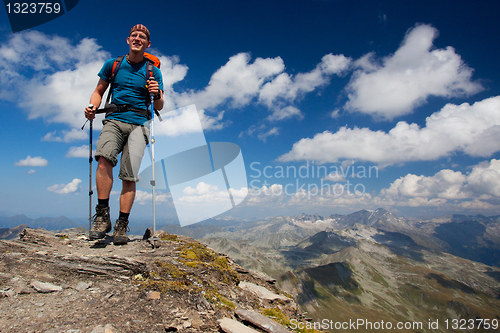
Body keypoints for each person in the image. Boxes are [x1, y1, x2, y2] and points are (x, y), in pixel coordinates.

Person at [84, 24, 164, 245]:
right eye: (134, 36)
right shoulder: (113, 65)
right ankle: (102, 216)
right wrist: (92, 106)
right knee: (103, 160)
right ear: (128, 40)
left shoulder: (153, 71)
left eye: (142, 37)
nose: (137, 39)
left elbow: (160, 104)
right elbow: (99, 90)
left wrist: (156, 93)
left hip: (140, 124)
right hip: (114, 119)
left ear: (148, 44)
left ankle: (122, 224)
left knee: (129, 176)